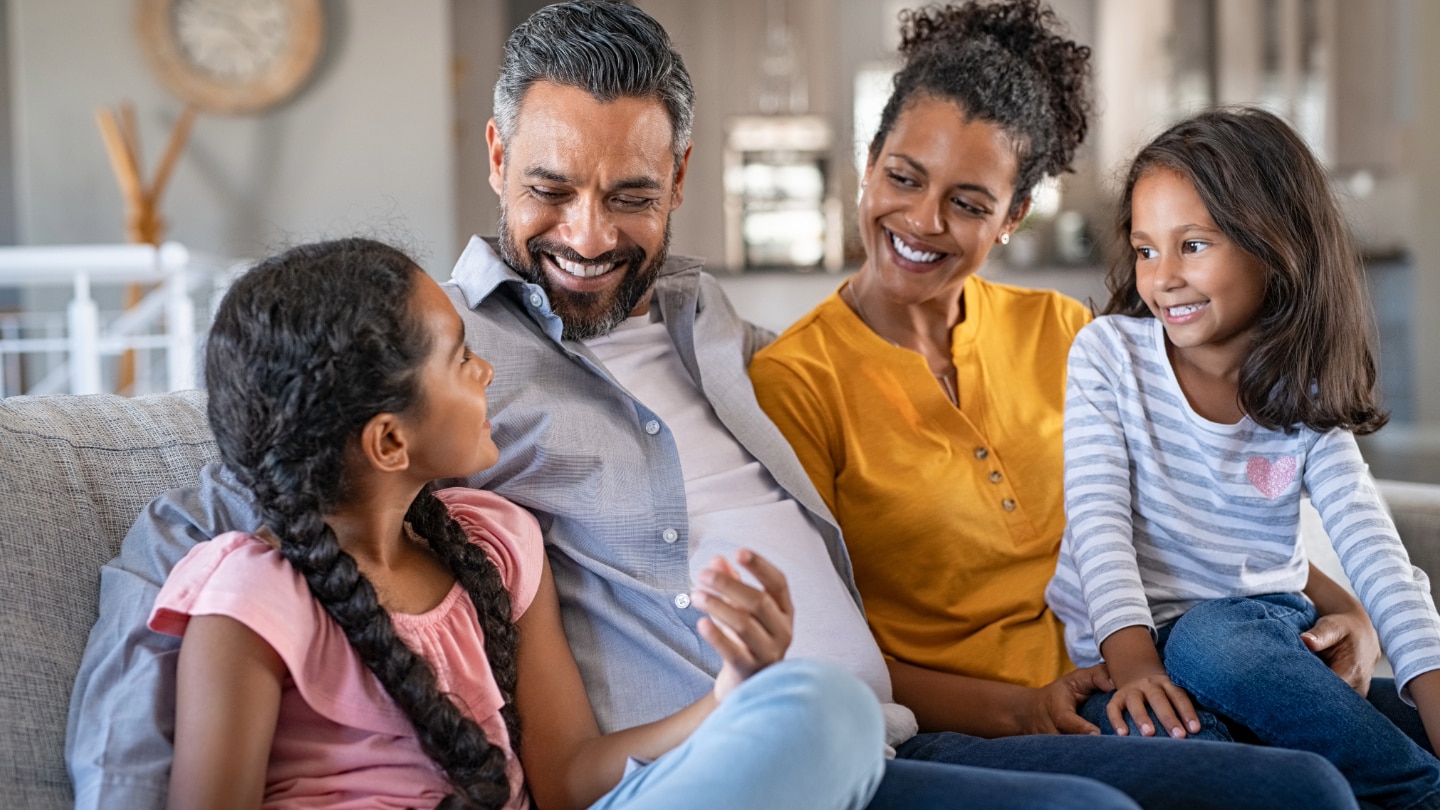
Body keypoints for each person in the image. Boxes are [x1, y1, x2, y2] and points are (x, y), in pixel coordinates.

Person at [70, 2, 1351, 809]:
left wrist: (1319, 596)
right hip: (726, 755)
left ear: (681, 177)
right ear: (497, 157)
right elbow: (217, 508)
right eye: (553, 188)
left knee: (1292, 789)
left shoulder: (714, 326)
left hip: (881, 733)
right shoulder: (427, 365)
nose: (586, 235)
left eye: (630, 195)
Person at [749, 0, 1388, 805]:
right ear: (868, 162)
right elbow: (831, 648)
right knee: (1302, 788)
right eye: (903, 178)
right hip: (981, 727)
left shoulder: (1065, 332)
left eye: (970, 202)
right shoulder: (793, 382)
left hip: (1144, 671)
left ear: (1014, 217)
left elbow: (1199, 506)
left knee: (1395, 720)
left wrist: (1350, 611)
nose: (921, 221)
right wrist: (1025, 708)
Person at [152, 236, 885, 809]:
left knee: (825, 711)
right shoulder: (252, 601)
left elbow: (567, 782)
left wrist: (731, 695)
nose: (488, 373)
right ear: (389, 441)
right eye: (461, 359)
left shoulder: (497, 545)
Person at [1044, 106, 1440, 810]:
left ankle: (1415, 790)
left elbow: (1373, 548)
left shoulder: (1302, 395)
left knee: (1212, 641)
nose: (1162, 277)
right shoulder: (1107, 357)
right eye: (1145, 249)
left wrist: (1429, 677)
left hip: (1249, 640)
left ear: (1274, 247)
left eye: (1193, 245)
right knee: (1203, 756)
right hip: (1127, 659)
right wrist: (1132, 665)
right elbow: (1097, 522)